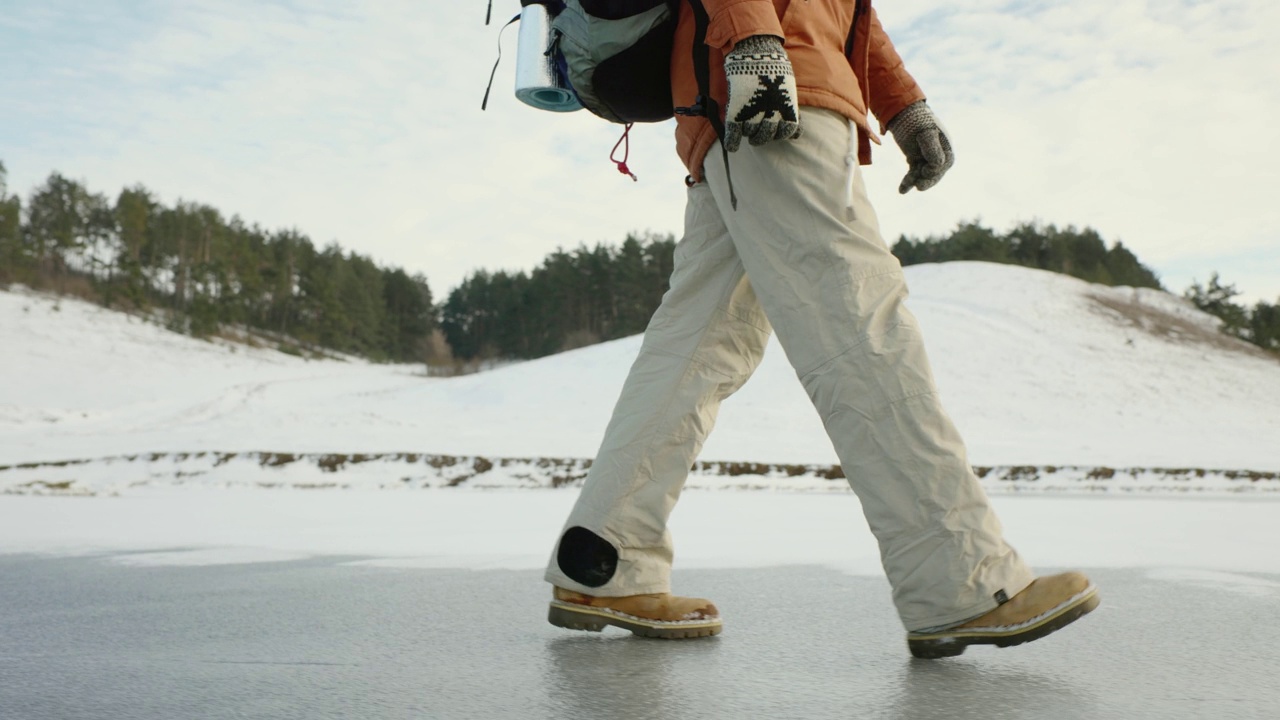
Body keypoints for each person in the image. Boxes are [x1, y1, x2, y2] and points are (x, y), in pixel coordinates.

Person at [543, 0, 1098, 658]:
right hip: (775, 91)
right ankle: (961, 581)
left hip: (731, 111)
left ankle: (605, 555)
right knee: (861, 327)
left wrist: (902, 106)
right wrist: (754, 42)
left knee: (694, 352)